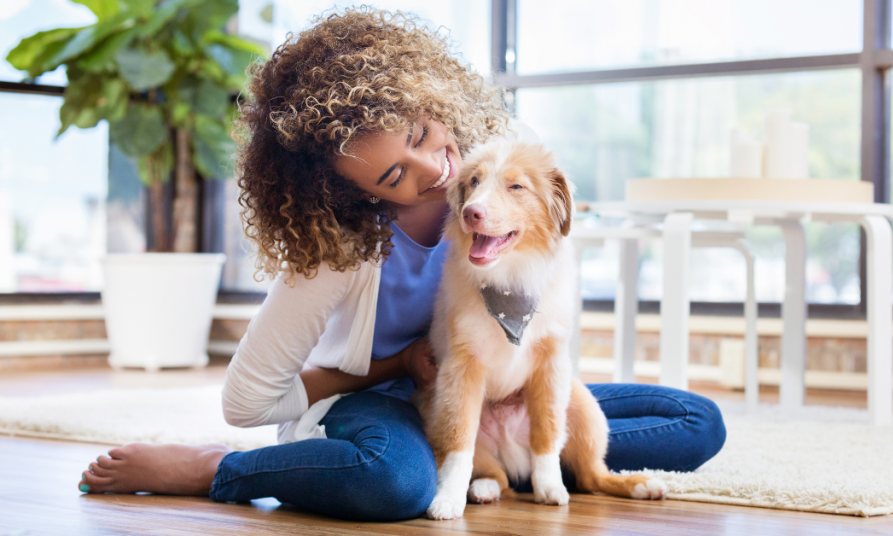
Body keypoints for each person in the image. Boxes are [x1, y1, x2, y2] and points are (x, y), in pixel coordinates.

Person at [77, 7, 726, 521]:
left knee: (697, 425)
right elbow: (246, 398)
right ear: (358, 192)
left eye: (421, 135)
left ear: (427, 95)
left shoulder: (493, 170)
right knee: (395, 484)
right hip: (389, 402)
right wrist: (395, 365)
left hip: (499, 391)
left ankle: (510, 460)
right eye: (394, 173)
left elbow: (545, 272)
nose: (436, 169)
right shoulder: (337, 248)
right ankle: (219, 470)